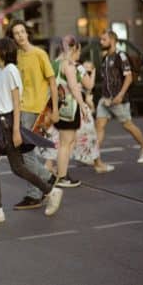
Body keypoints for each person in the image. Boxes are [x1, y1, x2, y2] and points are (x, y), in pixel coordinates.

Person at [0, 38, 63, 225]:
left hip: (7, 124)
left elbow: (16, 102)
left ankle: (50, 191)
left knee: (16, 167)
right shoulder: (1, 72)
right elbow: (2, 98)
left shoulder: (11, 71)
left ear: (4, 51)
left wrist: (16, 130)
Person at [7, 19, 59, 210]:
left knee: (25, 154)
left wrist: (55, 110)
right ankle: (40, 186)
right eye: (16, 33)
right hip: (20, 109)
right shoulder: (16, 57)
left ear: (27, 33)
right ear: (13, 37)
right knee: (25, 154)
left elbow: (52, 83)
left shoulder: (39, 54)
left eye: (22, 31)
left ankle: (39, 187)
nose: (20, 35)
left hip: (35, 109)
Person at [95, 30, 143, 164]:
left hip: (118, 99)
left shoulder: (120, 56)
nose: (101, 42)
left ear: (112, 40)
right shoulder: (106, 57)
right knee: (99, 125)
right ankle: (95, 157)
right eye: (101, 39)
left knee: (128, 125)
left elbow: (129, 77)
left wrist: (120, 95)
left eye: (104, 39)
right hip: (105, 99)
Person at [49, 36, 92, 186]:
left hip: (59, 106)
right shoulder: (68, 65)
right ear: (73, 48)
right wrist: (83, 105)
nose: (79, 53)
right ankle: (62, 177)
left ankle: (62, 172)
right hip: (69, 108)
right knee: (66, 143)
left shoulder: (55, 63)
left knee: (66, 141)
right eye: (78, 50)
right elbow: (74, 87)